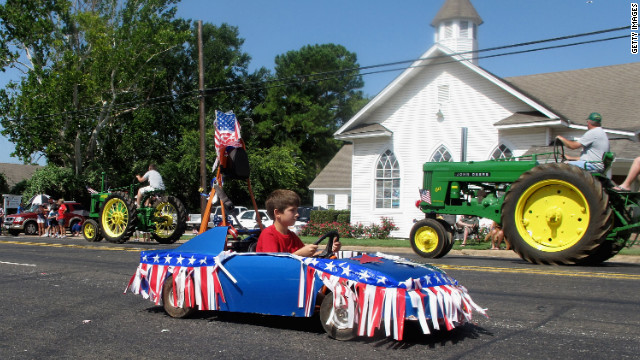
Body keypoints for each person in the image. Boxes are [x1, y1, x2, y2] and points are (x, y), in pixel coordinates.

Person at [256, 189, 341, 256]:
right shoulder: (269, 235)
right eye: (292, 210)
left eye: (297, 210)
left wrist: (329, 249)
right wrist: (299, 254)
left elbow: (309, 254)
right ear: (277, 213)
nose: (297, 214)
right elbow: (273, 265)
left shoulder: (292, 236)